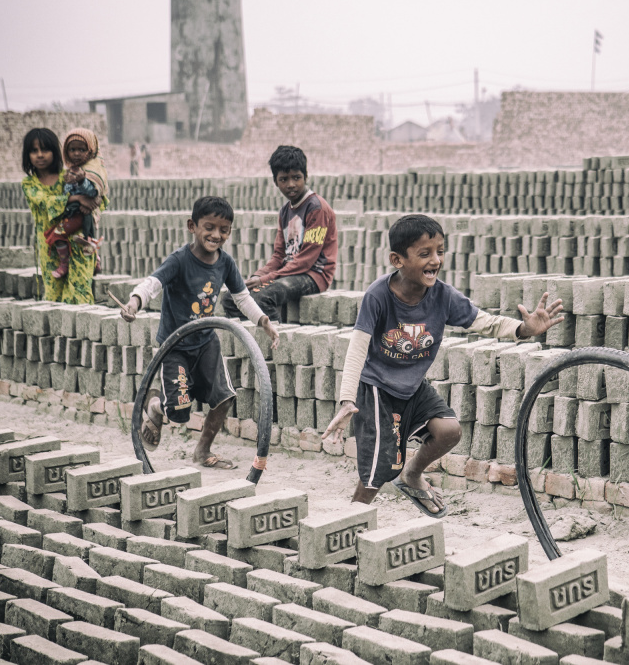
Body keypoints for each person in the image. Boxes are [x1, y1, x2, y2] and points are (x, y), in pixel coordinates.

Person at [321, 214, 565, 517]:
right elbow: (357, 348)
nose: (435, 260)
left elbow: (484, 322)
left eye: (440, 251)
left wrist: (523, 329)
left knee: (448, 431)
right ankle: (348, 521)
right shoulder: (378, 296)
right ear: (397, 259)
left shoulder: (443, 296)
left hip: (411, 387)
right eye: (425, 253)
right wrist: (347, 399)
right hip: (376, 390)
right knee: (382, 469)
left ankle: (412, 476)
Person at [119, 196, 280, 470]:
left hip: (206, 342)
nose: (216, 235)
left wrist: (263, 321)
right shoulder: (179, 260)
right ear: (192, 225)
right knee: (179, 413)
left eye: (224, 230)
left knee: (225, 397)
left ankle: (203, 451)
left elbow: (242, 298)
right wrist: (134, 301)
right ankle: (157, 405)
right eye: (209, 227)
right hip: (176, 346)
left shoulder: (225, 263)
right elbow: (153, 284)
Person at [221, 145, 337, 322]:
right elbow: (278, 256)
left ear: (306, 177)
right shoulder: (285, 212)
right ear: (275, 182)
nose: (291, 184)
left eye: (296, 178)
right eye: (284, 179)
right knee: (231, 298)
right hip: (289, 272)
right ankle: (250, 344)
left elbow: (306, 260)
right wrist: (258, 276)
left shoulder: (316, 208)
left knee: (263, 297)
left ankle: (277, 345)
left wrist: (267, 279)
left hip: (313, 274)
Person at [20, 127, 99, 303]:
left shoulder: (68, 176)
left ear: (56, 152)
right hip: (50, 246)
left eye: (45, 149)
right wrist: (76, 198)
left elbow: (96, 196)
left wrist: (92, 201)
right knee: (54, 296)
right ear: (27, 155)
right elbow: (45, 201)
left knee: (79, 292)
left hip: (77, 241)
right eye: (34, 151)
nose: (40, 155)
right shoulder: (29, 184)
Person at [46, 128, 108, 279]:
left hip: (82, 215)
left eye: (82, 149)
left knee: (56, 235)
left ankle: (63, 264)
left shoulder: (92, 170)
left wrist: (81, 181)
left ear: (91, 150)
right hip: (73, 211)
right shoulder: (70, 171)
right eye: (72, 149)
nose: (76, 153)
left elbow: (94, 192)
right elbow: (64, 195)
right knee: (86, 239)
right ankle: (96, 261)